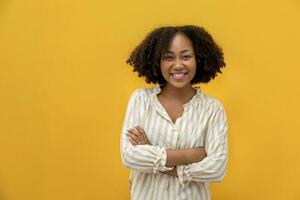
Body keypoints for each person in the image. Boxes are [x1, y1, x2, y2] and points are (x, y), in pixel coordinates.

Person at [120, 25, 228, 200]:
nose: (178, 65)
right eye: (168, 57)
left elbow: (216, 169)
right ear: (157, 61)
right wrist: (191, 155)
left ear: (198, 59)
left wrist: (150, 150)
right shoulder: (141, 100)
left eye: (186, 56)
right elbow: (129, 156)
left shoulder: (212, 109)